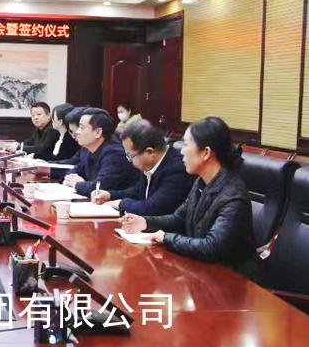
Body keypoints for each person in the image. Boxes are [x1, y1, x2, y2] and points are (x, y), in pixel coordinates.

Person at [119, 117, 255, 265]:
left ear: (206, 153)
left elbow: (212, 247)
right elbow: (179, 218)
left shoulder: (233, 196)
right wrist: (145, 222)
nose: (182, 152)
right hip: (201, 267)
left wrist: (166, 238)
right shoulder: (201, 182)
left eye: (186, 144)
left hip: (232, 274)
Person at [93, 119, 193, 215]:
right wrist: (110, 195)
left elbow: (152, 208)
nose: (129, 161)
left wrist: (120, 203)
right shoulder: (150, 164)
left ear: (149, 152)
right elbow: (139, 191)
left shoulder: (178, 170)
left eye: (130, 156)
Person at [63, 108, 137, 197]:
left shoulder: (115, 154)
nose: (77, 132)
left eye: (82, 128)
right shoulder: (87, 149)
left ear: (98, 132)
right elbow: (75, 170)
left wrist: (77, 184)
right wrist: (73, 180)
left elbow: (98, 188)